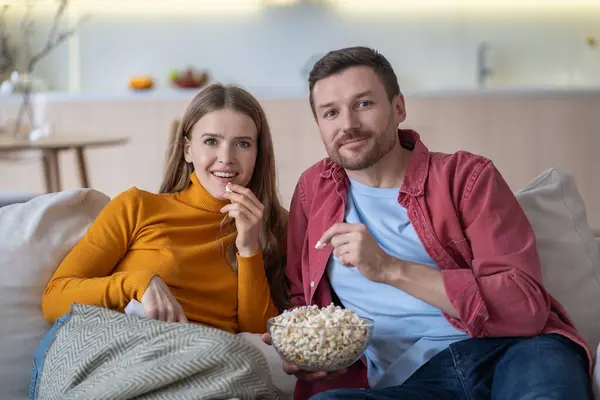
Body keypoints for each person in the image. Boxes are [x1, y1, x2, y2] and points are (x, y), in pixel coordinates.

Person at [264, 47, 593, 400]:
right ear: (319, 125)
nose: (348, 124)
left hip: (514, 351)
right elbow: (302, 300)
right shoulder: (314, 189)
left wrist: (389, 269)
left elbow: (525, 306)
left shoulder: (465, 178)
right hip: (412, 382)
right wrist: (313, 352)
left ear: (399, 107)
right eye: (331, 112)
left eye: (364, 104)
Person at [41, 83, 289, 333]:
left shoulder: (276, 225)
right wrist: (137, 283)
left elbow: (259, 336)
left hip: (211, 359)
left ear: (259, 153)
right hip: (122, 348)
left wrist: (249, 248)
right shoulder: (137, 207)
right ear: (188, 150)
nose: (226, 157)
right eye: (211, 141)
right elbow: (54, 300)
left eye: (243, 144)